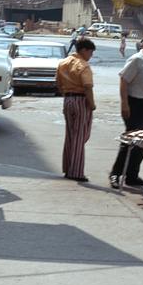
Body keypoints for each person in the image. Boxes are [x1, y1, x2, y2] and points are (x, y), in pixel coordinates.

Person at [109, 32, 143, 189]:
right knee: (131, 141)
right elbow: (124, 81)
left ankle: (132, 175)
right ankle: (115, 174)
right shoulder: (136, 60)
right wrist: (124, 103)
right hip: (134, 104)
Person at [55, 37, 96, 182]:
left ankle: (68, 168)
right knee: (80, 137)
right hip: (81, 100)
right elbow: (87, 87)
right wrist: (92, 104)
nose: (91, 56)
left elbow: (58, 84)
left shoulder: (63, 63)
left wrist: (67, 95)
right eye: (90, 53)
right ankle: (76, 172)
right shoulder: (83, 65)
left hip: (68, 99)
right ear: (84, 50)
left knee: (70, 136)